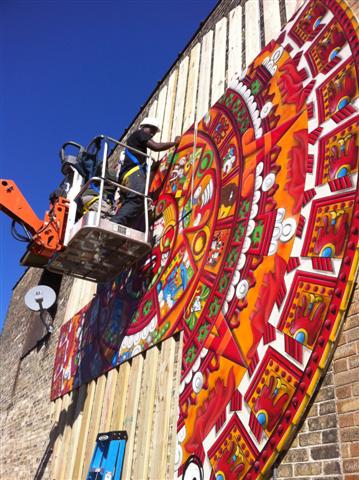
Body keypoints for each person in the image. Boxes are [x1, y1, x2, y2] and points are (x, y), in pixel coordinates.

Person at [111, 117, 180, 229]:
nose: (152, 133)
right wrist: (175, 143)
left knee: (136, 204)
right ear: (144, 127)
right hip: (132, 174)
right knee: (137, 199)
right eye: (151, 129)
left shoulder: (135, 143)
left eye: (154, 131)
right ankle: (115, 223)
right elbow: (156, 147)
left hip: (127, 178)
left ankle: (121, 227)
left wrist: (152, 169)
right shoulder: (139, 133)